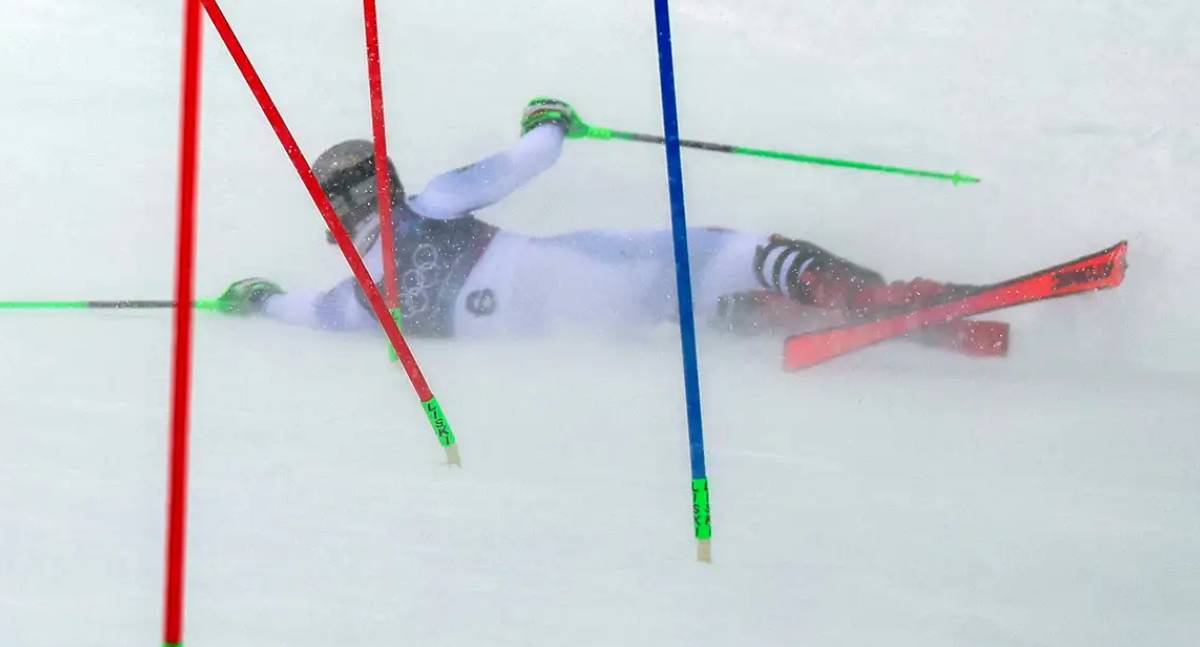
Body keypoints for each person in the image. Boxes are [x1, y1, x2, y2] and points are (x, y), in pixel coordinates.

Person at [216, 98, 954, 338]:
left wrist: (254, 299)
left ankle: (776, 316)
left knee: (675, 310)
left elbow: (304, 309)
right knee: (732, 246)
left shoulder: (360, 297)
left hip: (562, 329)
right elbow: (523, 162)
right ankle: (872, 299)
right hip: (566, 270)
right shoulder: (427, 204)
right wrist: (549, 120)